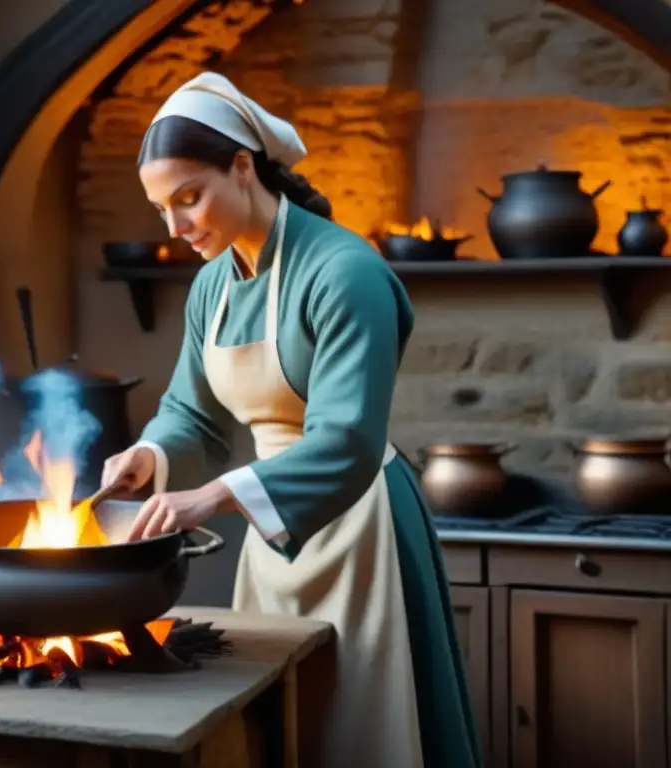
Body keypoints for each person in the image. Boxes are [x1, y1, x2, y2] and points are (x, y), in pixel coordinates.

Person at [100, 71, 483, 768]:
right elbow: (194, 412)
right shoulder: (212, 285)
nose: (176, 227)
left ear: (242, 167)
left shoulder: (344, 272)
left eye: (189, 199)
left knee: (369, 727)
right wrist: (152, 456)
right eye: (161, 209)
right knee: (291, 729)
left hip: (361, 527)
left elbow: (347, 439)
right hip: (275, 537)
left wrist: (217, 495)